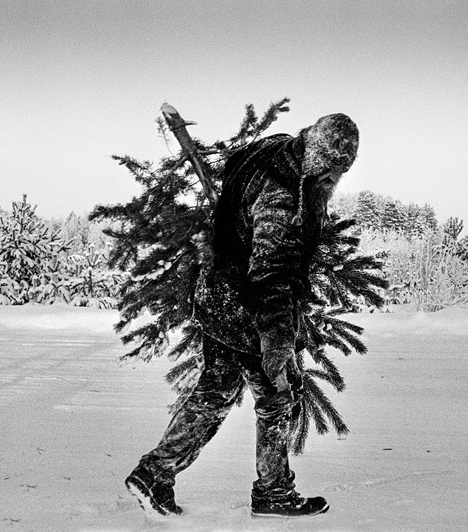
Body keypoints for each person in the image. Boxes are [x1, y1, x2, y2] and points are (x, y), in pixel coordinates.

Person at [125, 113, 359, 519]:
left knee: (214, 392)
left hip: (217, 295)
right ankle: (273, 494)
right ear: (321, 160)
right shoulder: (284, 197)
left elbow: (237, 159)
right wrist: (276, 341)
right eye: (331, 172)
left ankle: (154, 473)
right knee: (277, 397)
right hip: (245, 308)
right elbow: (270, 274)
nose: (333, 181)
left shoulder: (276, 148)